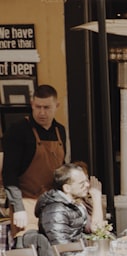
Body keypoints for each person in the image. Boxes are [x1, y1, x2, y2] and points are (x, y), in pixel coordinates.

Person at [2, 85, 68, 241]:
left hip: (53, 203)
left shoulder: (60, 131)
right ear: (32, 104)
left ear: (56, 106)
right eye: (38, 107)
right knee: (28, 246)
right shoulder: (18, 130)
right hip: (26, 202)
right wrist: (18, 208)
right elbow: (9, 173)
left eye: (47, 107)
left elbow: (63, 169)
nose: (42, 112)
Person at [37, 163, 106, 246]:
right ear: (67, 188)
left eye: (86, 181)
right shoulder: (56, 211)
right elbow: (63, 248)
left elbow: (97, 230)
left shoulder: (75, 205)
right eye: (82, 183)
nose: (87, 185)